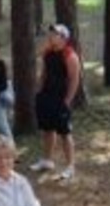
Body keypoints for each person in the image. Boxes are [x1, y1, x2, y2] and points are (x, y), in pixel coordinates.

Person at [32, 23, 81, 180]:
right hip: (46, 96)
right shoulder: (48, 52)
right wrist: (39, 90)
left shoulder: (70, 55)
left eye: (55, 34)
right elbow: (44, 71)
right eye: (51, 34)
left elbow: (74, 79)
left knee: (65, 133)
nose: (51, 36)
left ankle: (70, 166)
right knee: (47, 129)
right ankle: (47, 160)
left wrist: (67, 100)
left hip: (61, 99)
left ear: (64, 38)